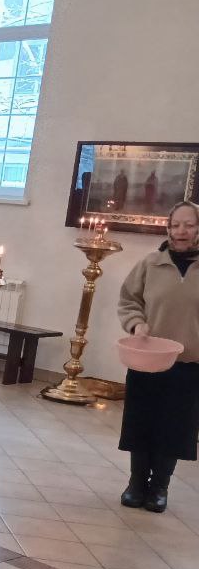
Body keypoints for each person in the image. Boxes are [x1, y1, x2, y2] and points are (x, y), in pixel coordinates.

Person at [116, 200, 199, 513]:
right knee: (142, 421)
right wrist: (137, 323)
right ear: (168, 228)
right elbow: (129, 300)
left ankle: (160, 486)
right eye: (176, 225)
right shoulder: (150, 264)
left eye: (189, 225)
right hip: (148, 360)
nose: (181, 231)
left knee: (174, 426)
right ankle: (136, 483)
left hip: (189, 363)